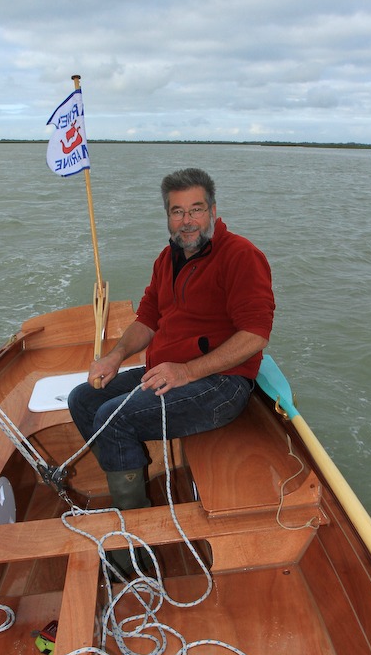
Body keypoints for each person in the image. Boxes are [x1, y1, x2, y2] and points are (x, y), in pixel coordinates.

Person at [68, 167, 275, 510]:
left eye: (196, 209)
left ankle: (133, 531)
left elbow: (255, 335)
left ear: (212, 210)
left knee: (112, 416)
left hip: (221, 383)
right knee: (84, 399)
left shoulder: (241, 255)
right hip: (168, 371)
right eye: (177, 211)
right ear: (168, 216)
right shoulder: (167, 259)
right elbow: (147, 320)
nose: (187, 220)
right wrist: (115, 356)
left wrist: (187, 372)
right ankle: (124, 477)